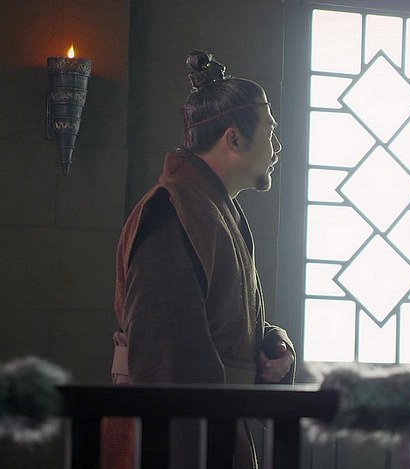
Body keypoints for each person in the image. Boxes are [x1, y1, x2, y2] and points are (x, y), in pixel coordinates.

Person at [102, 50, 295, 469]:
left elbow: (222, 322)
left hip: (214, 422)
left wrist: (270, 345)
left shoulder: (212, 207)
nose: (278, 147)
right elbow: (169, 358)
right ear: (233, 138)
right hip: (175, 438)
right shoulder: (173, 209)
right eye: (270, 131)